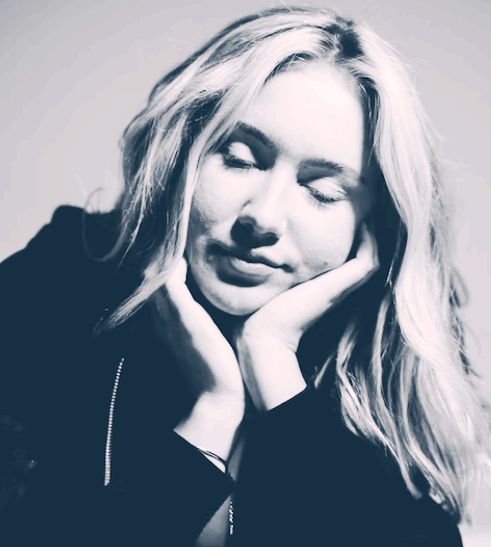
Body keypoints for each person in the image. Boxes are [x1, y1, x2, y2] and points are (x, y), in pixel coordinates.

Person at [1, 5, 489, 546]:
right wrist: (212, 411)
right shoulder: (56, 284)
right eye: (239, 159)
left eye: (322, 191)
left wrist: (275, 369)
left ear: (371, 224)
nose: (264, 216)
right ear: (182, 155)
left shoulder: (389, 362)